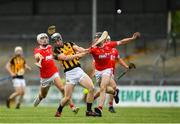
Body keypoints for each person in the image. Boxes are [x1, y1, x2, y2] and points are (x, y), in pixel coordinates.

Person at [89, 31, 140, 116]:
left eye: (108, 40)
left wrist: (126, 67)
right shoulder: (96, 49)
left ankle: (106, 106)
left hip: (109, 71)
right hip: (99, 72)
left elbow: (119, 58)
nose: (107, 41)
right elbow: (93, 60)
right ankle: (114, 93)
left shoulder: (113, 50)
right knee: (106, 89)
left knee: (106, 87)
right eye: (106, 40)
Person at [51, 32, 99, 117]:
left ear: (61, 39)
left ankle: (88, 111)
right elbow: (65, 58)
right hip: (70, 74)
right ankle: (59, 111)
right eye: (55, 42)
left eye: (58, 40)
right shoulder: (55, 51)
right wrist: (78, 55)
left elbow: (79, 48)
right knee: (67, 97)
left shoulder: (70, 44)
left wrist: (86, 50)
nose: (57, 43)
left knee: (91, 88)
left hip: (78, 70)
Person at [33, 33, 78, 113]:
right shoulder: (37, 50)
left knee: (62, 89)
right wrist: (38, 57)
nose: (45, 40)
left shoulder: (51, 47)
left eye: (46, 38)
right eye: (42, 38)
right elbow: (37, 56)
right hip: (45, 77)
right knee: (43, 95)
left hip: (54, 73)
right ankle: (39, 98)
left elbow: (58, 53)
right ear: (38, 41)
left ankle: (72, 107)